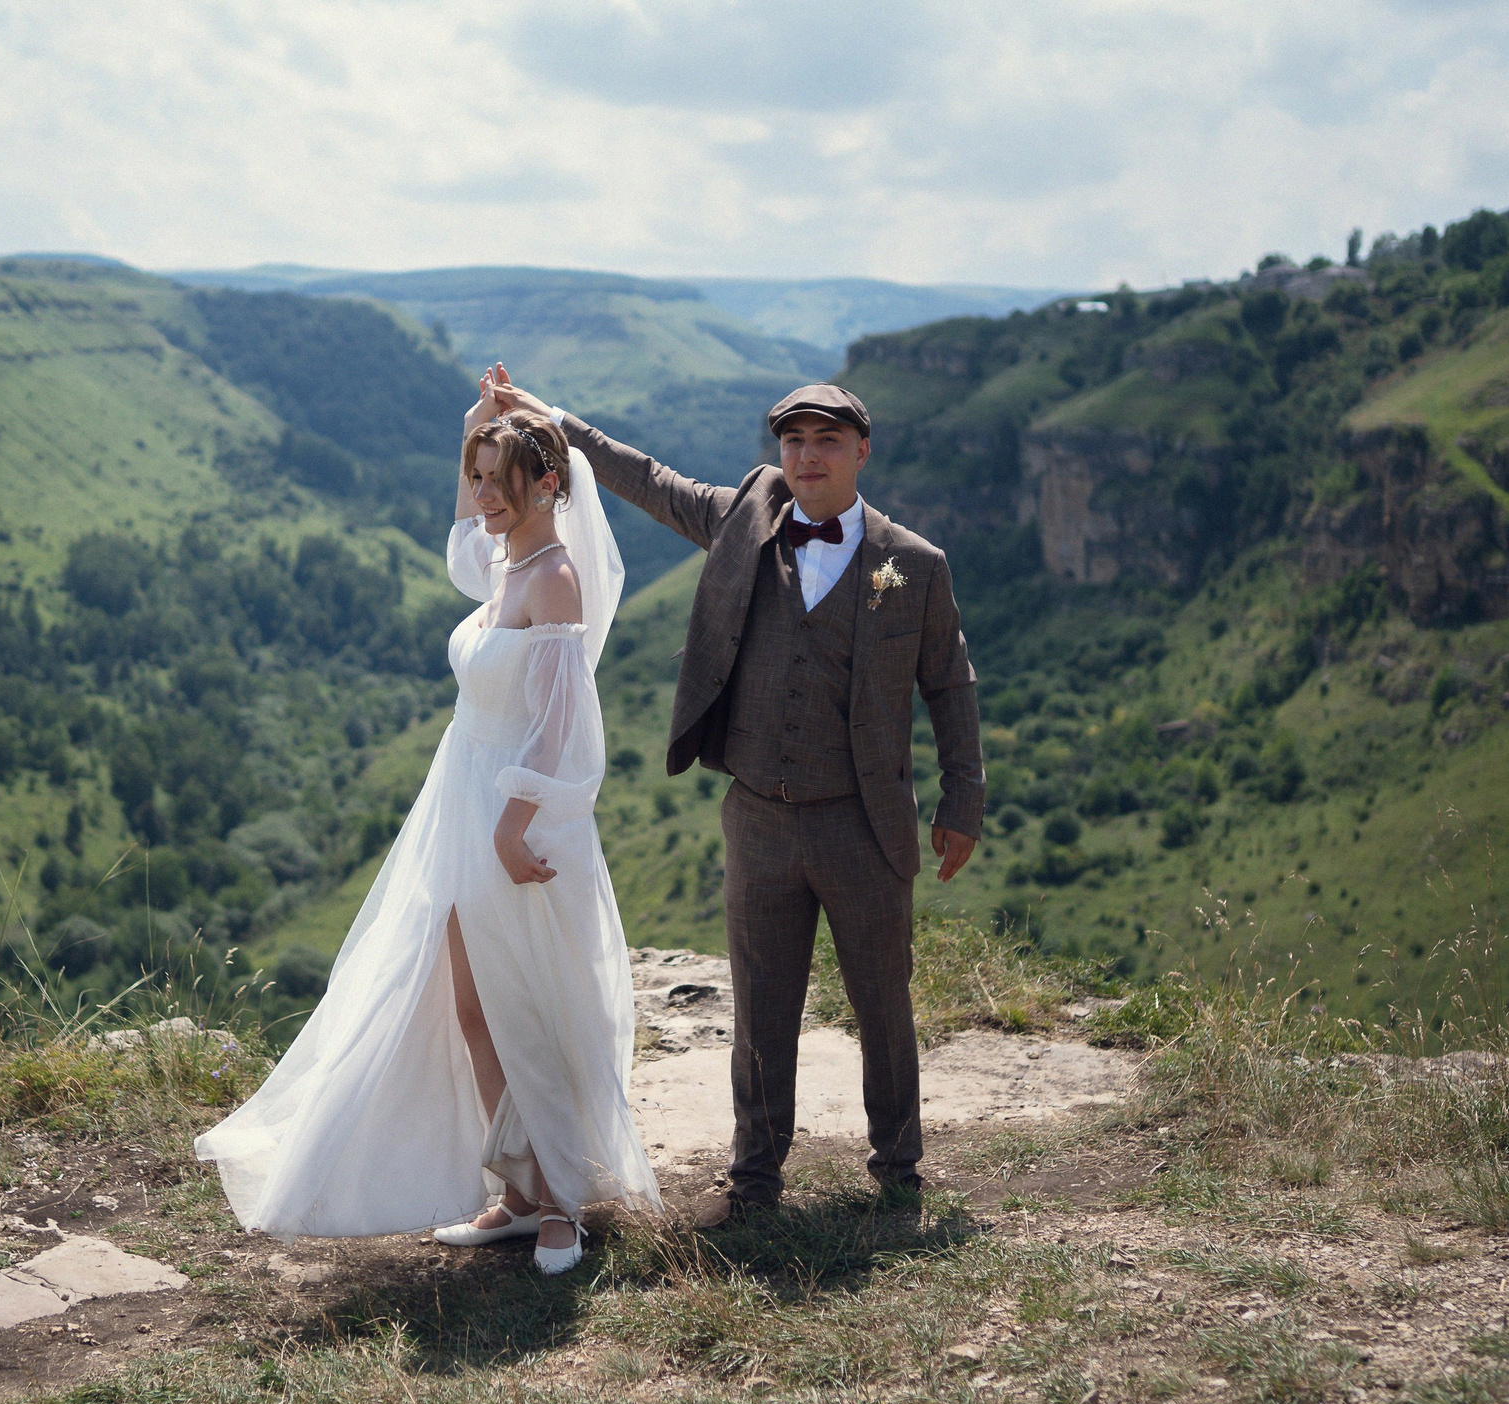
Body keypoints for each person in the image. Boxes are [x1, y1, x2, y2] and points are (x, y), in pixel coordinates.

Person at [481, 366, 984, 1228]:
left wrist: (961, 801)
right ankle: (754, 1179)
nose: (808, 457)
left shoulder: (916, 565)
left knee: (882, 999)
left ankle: (898, 1169)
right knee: (760, 1003)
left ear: (862, 450)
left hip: (866, 822)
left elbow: (951, 684)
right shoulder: (746, 514)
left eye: (827, 441)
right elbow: (651, 481)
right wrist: (558, 420)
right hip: (758, 814)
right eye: (793, 441)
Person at [195, 376, 660, 1271]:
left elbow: (563, 722)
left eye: (500, 481)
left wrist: (514, 823)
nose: (484, 497)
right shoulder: (506, 562)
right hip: (463, 792)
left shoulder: (554, 578)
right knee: (472, 1004)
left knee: (532, 1005)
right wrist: (472, 433)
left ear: (548, 487)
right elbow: (462, 549)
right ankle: (519, 1189)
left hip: (514, 812)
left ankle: (566, 1199)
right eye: (478, 477)